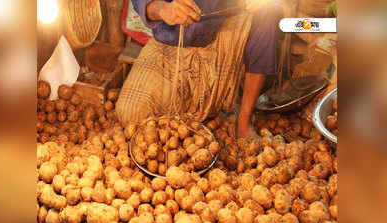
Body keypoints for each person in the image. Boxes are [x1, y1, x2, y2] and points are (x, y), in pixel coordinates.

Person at [116, 0, 281, 140]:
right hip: (170, 47)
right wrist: (162, 9)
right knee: (130, 113)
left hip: (223, 43)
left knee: (267, 11)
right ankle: (200, 110)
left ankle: (242, 120)